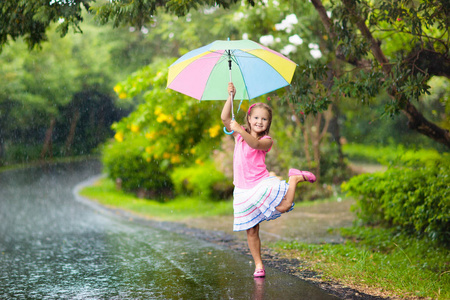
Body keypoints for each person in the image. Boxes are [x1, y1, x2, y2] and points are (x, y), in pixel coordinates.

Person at [221, 82, 316, 278]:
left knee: (285, 206)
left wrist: (240, 129)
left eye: (264, 119)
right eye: (256, 117)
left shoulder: (266, 140)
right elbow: (224, 117)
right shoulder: (239, 137)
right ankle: (258, 265)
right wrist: (231, 96)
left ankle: (295, 178)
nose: (259, 121)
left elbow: (254, 143)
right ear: (249, 118)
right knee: (251, 230)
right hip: (242, 189)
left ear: (268, 123)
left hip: (260, 183)